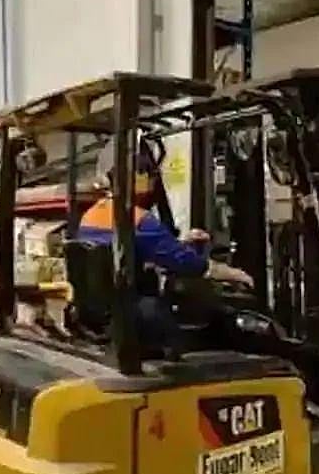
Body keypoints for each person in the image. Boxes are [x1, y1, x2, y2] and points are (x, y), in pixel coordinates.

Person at [76, 140, 254, 354]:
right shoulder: (137, 218)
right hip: (134, 310)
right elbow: (186, 263)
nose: (153, 182)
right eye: (149, 175)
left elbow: (132, 249)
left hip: (105, 313)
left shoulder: (91, 215)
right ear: (137, 177)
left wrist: (179, 244)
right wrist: (232, 273)